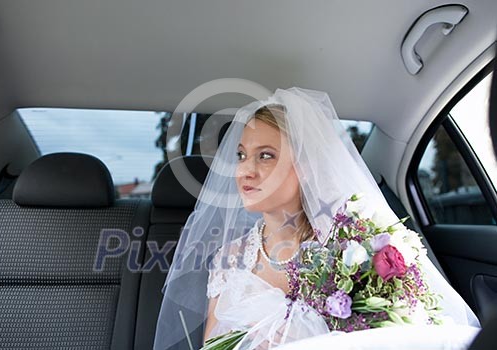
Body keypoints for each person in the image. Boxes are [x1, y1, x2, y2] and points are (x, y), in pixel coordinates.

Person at [154, 87, 480, 350]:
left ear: (306, 166)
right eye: (241, 155)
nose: (245, 170)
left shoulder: (352, 250)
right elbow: (212, 346)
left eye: (265, 156)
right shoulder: (229, 259)